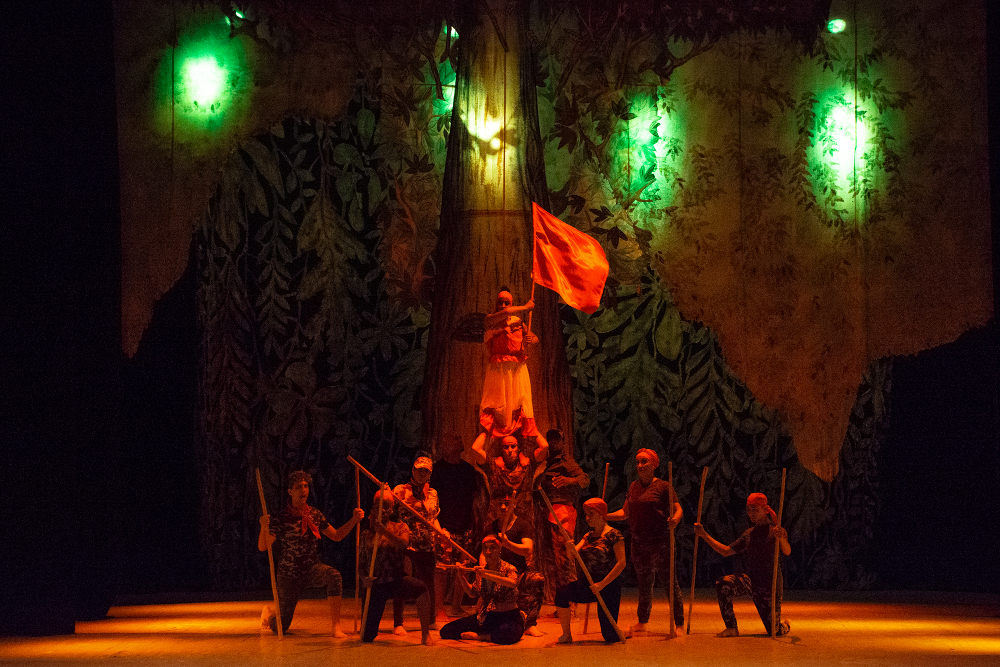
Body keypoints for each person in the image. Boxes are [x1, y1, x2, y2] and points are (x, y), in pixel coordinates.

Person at [258, 470, 363, 637]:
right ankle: (269, 614)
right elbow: (263, 547)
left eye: (306, 486)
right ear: (290, 491)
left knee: (334, 576)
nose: (304, 490)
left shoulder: (314, 514)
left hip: (310, 569)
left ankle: (336, 626)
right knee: (281, 626)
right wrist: (264, 527)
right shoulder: (282, 518)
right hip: (288, 575)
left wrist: (354, 520)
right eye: (299, 487)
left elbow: (336, 536)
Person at [606, 448, 685, 636]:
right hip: (639, 542)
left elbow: (677, 508)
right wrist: (604, 515)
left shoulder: (664, 486)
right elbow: (624, 513)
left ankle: (679, 624)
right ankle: (642, 622)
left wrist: (675, 519)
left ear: (654, 465)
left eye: (644, 462)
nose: (640, 466)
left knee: (669, 582)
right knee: (644, 583)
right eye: (638, 462)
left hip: (661, 541)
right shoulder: (633, 486)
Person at [693, 492, 791, 637]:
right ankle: (732, 627)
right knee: (723, 583)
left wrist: (782, 538)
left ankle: (786, 625)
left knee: (774, 631)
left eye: (755, 510)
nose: (751, 514)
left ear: (765, 510)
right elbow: (726, 551)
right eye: (749, 510)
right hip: (751, 581)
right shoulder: (749, 534)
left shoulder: (775, 531)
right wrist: (704, 535)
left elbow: (787, 551)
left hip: (770, 585)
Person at [360, 488, 435, 645]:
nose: (382, 510)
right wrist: (363, 579)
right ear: (372, 509)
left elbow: (403, 544)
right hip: (376, 584)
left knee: (421, 588)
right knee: (367, 636)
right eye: (378, 506)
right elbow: (361, 563)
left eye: (386, 506)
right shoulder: (367, 534)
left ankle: (425, 634)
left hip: (396, 579)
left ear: (391, 509)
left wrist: (385, 532)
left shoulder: (400, 527)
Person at [554, 498, 626, 644]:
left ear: (601, 514)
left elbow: (621, 563)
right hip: (588, 583)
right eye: (586, 514)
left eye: (591, 514)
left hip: (608, 586)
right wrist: (569, 548)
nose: (587, 518)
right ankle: (567, 634)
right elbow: (572, 556)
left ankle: (620, 631)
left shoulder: (614, 535)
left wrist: (602, 584)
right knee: (562, 594)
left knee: (610, 636)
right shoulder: (588, 535)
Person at [392, 455, 446, 634]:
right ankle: (398, 623)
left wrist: (441, 532)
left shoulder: (433, 493)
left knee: (427, 582)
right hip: (405, 541)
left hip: (426, 542)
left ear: (430, 474)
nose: (422, 473)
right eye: (419, 469)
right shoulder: (400, 490)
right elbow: (390, 513)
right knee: (402, 580)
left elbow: (433, 518)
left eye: (426, 471)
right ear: (413, 470)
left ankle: (430, 620)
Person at [431, 433, 481, 620]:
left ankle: (457, 606)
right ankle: (439, 608)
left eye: (460, 439)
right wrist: (437, 526)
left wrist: (476, 520)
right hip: (443, 525)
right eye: (454, 439)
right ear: (444, 445)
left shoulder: (468, 470)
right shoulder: (436, 470)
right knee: (442, 568)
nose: (459, 441)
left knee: (464, 565)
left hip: (465, 523)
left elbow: (474, 498)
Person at [439, 535, 524, 644]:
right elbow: (471, 593)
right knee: (446, 631)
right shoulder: (482, 571)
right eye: (485, 548)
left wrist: (486, 575)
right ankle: (487, 634)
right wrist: (460, 574)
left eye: (492, 548)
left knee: (507, 633)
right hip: (487, 616)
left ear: (499, 550)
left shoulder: (509, 568)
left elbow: (512, 583)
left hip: (508, 616)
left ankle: (482, 637)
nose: (488, 552)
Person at [535, 428, 588, 601]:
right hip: (546, 513)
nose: (554, 443)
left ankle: (571, 604)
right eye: (551, 440)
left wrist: (568, 480)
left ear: (563, 442)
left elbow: (585, 480)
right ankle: (562, 605)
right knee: (552, 563)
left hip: (561, 513)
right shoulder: (545, 461)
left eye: (557, 440)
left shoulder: (566, 461)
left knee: (564, 560)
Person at [480, 289, 539, 437]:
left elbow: (534, 337)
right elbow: (506, 313)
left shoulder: (517, 322)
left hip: (517, 367)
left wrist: (532, 340)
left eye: (507, 302)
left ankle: (520, 435)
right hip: (499, 368)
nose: (504, 305)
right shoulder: (490, 320)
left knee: (519, 400)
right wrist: (525, 307)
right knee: (500, 403)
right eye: (501, 302)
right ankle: (497, 434)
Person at [498, 518, 546, 637]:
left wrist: (507, 544)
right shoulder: (492, 526)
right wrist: (485, 568)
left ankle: (530, 625)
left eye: (507, 503)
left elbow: (527, 550)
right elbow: (484, 551)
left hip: (519, 573)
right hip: (499, 574)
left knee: (537, 579)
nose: (503, 507)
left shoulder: (522, 525)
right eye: (500, 503)